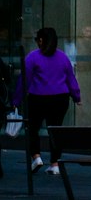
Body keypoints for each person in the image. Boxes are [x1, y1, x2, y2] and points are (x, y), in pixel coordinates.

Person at [11, 27, 81, 175]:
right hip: (60, 98)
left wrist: (16, 100)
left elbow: (24, 81)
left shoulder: (32, 57)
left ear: (41, 40)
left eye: (37, 39)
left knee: (33, 129)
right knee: (55, 131)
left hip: (38, 98)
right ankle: (55, 163)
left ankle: (36, 157)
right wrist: (76, 97)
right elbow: (71, 79)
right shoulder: (63, 57)